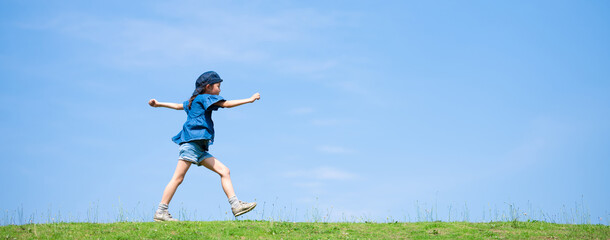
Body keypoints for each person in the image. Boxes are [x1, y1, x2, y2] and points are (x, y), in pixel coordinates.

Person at [148, 71, 260, 222]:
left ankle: (236, 206)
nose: (220, 90)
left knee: (224, 171)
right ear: (208, 87)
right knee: (177, 178)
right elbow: (226, 104)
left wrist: (158, 104)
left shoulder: (193, 101)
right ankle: (161, 211)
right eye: (218, 86)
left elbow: (176, 106)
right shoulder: (203, 98)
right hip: (191, 144)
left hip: (199, 148)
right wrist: (250, 99)